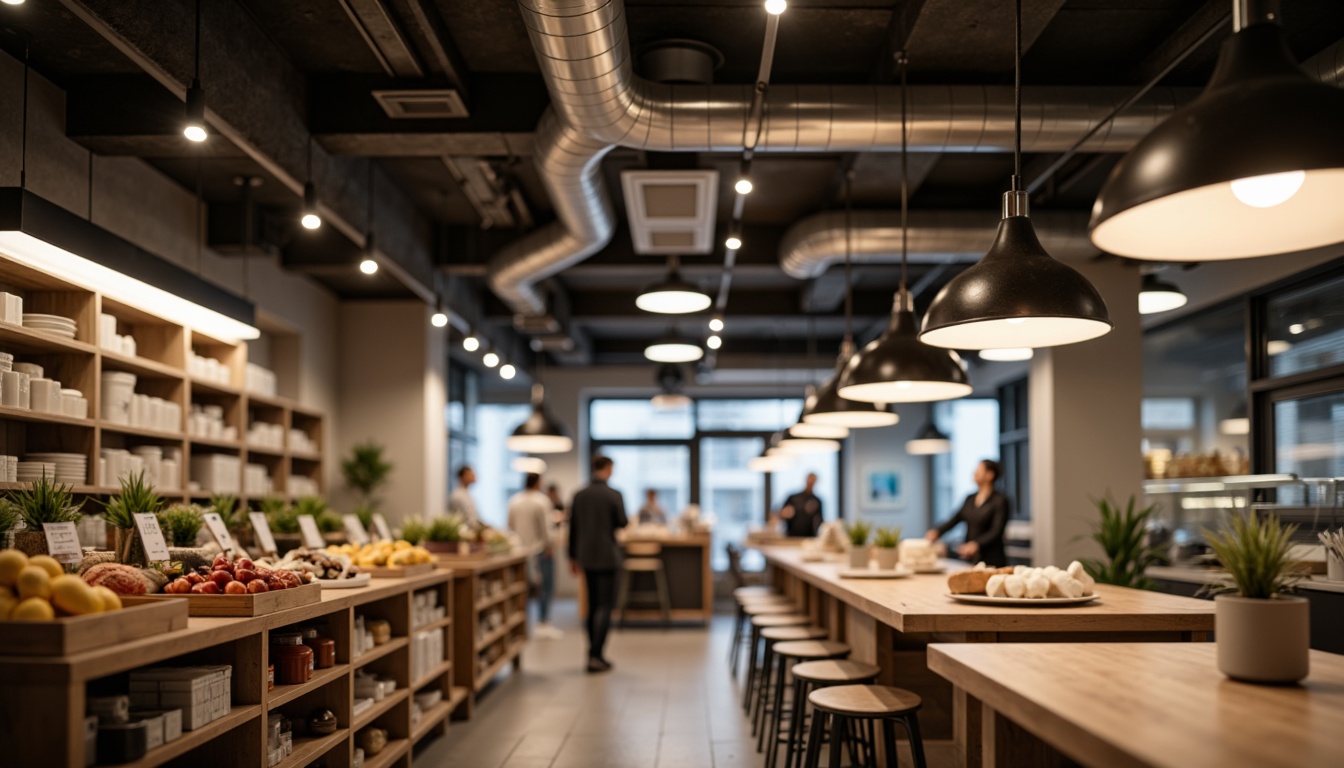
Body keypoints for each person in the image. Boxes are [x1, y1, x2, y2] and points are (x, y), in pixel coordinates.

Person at [568, 455, 628, 673]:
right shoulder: (614, 495)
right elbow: (622, 522)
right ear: (609, 469)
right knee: (604, 605)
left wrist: (572, 557)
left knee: (592, 606)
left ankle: (591, 654)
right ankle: (597, 654)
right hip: (607, 557)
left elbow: (573, 529)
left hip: (586, 558)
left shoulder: (579, 495)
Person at [926, 459, 1011, 565]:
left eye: (979, 470)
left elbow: (997, 530)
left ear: (990, 475)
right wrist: (937, 531)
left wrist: (976, 544)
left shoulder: (1000, 500)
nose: (975, 473)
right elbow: (955, 518)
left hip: (992, 559)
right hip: (971, 558)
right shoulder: (970, 498)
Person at [508, 473, 561, 639]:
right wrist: (550, 545)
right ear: (538, 483)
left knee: (521, 588)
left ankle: (520, 623)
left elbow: (509, 525)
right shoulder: (542, 500)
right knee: (545, 587)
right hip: (540, 550)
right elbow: (546, 528)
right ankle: (543, 622)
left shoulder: (514, 500)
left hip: (519, 552)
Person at [779, 472, 824, 537]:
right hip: (791, 535)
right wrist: (784, 513)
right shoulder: (793, 498)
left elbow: (820, 520)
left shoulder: (817, 501)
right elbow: (781, 514)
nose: (810, 482)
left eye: (813, 480)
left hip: (809, 536)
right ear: (806, 480)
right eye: (809, 479)